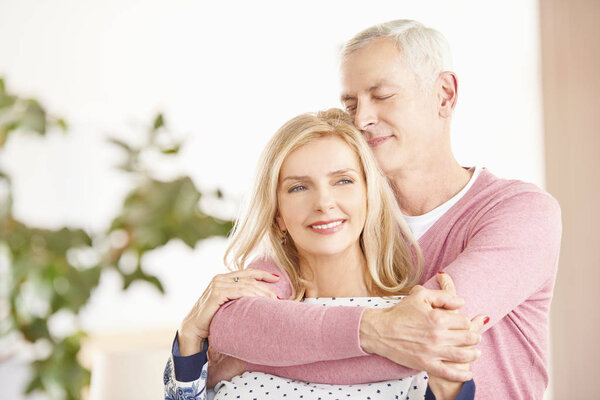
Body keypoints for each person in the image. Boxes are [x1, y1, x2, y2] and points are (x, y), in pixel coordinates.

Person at [178, 19, 562, 400]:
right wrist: (376, 330)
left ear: (444, 94)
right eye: (351, 103)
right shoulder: (340, 219)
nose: (361, 119)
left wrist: (254, 359)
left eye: (382, 96)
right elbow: (236, 322)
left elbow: (431, 339)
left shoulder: (519, 212)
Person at [164, 109, 484, 400]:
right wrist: (191, 334)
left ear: (369, 196)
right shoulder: (248, 320)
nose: (324, 202)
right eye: (299, 187)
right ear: (277, 215)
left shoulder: (413, 322)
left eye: (343, 181)